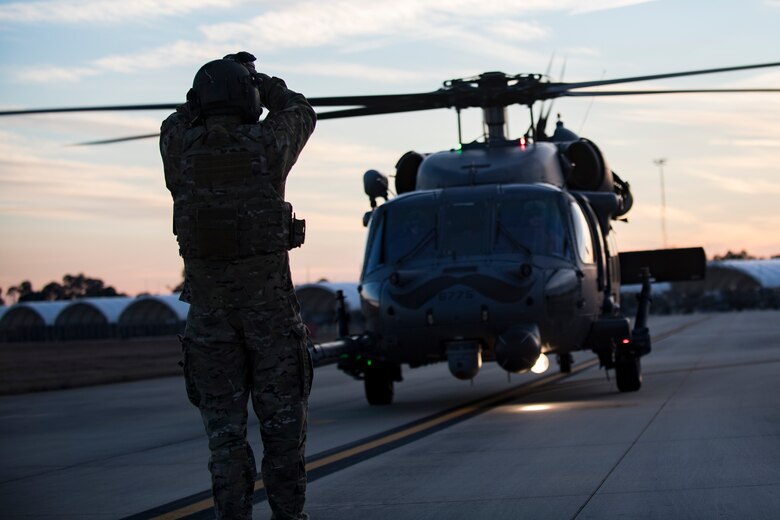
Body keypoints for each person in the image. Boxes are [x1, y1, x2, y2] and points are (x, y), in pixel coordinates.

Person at [159, 52, 316, 520]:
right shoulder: (267, 146)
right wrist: (263, 82)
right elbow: (300, 111)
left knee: (225, 441)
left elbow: (180, 116)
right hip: (270, 323)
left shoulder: (177, 148)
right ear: (246, 100)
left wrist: (214, 84)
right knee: (284, 437)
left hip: (209, 326)